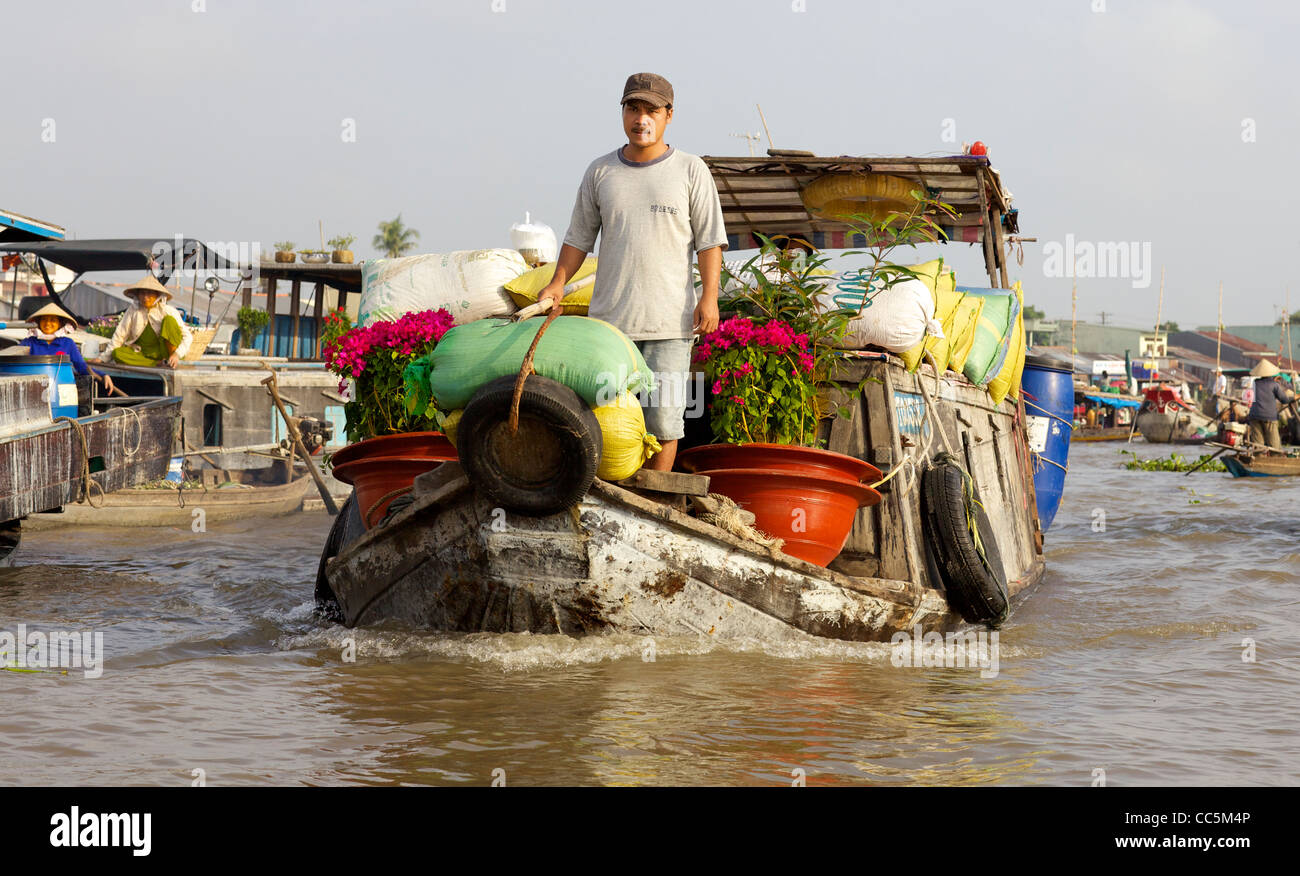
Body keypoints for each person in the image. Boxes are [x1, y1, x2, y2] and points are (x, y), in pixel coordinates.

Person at [539, 72, 727, 472]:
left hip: (670, 326)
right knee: (607, 419)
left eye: (651, 110)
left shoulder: (691, 170)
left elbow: (710, 242)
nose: (641, 119)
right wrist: (557, 283)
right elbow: (578, 239)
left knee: (663, 423)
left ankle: (656, 513)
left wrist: (709, 297)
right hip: (609, 328)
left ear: (669, 116)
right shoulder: (600, 172)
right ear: (623, 112)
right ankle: (612, 504)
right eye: (633, 108)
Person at [19, 301, 115, 395]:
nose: (47, 323)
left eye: (52, 320)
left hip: (61, 390)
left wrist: (103, 375)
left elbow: (82, 367)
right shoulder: (29, 342)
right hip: (34, 390)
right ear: (38, 323)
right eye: (44, 320)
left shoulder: (68, 343)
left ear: (60, 324)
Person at [101, 274, 192, 367]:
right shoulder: (133, 310)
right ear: (137, 295)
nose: (145, 297)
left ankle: (171, 360)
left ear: (157, 295)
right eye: (142, 293)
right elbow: (120, 334)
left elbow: (188, 336)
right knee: (117, 353)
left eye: (149, 293)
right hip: (142, 354)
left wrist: (177, 354)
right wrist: (103, 359)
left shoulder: (167, 310)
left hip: (165, 353)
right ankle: (156, 364)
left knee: (169, 321)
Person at [1244, 358, 1295, 451]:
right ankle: (1276, 457)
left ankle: (1258, 457)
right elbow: (1284, 400)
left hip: (1254, 415)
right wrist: (1294, 398)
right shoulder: (1274, 385)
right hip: (1269, 417)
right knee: (1274, 444)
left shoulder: (1255, 383)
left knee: (1257, 445)